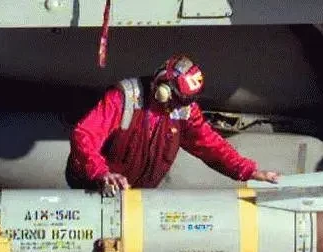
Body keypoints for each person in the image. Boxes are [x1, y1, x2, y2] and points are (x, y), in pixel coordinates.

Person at [66, 54, 281, 195]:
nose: (180, 108)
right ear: (162, 89)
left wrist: (249, 171)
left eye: (187, 102)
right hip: (93, 186)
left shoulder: (184, 110)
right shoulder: (124, 98)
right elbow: (84, 134)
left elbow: (211, 146)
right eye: (178, 100)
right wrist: (101, 173)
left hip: (135, 194)